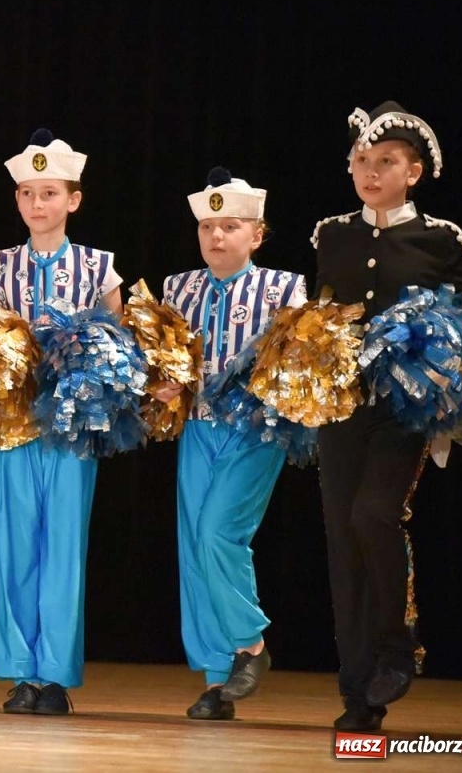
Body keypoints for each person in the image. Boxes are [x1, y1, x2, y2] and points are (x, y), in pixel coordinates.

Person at [312, 101, 462, 732]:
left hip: (405, 408)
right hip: (340, 407)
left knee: (374, 515)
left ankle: (398, 643)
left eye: (385, 162)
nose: (371, 171)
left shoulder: (440, 239)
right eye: (362, 160)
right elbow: (321, 314)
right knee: (343, 539)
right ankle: (358, 695)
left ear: (413, 172)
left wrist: (457, 356)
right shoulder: (331, 234)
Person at [0, 128, 122, 716]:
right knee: (12, 546)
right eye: (29, 193)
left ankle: (54, 674)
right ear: (17, 201)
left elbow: (122, 351)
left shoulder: (99, 269)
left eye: (51, 193)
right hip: (11, 426)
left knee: (62, 546)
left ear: (73, 200)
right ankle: (20, 673)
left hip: (71, 427)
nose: (39, 204)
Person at [157, 168, 306, 720]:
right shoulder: (178, 288)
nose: (216, 236)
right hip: (196, 426)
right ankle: (219, 680)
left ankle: (252, 644)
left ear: (257, 234)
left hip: (255, 430)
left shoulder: (286, 288)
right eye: (207, 226)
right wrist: (161, 381)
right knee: (196, 544)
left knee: (221, 531)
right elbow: (162, 357)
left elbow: (295, 361)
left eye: (230, 226)